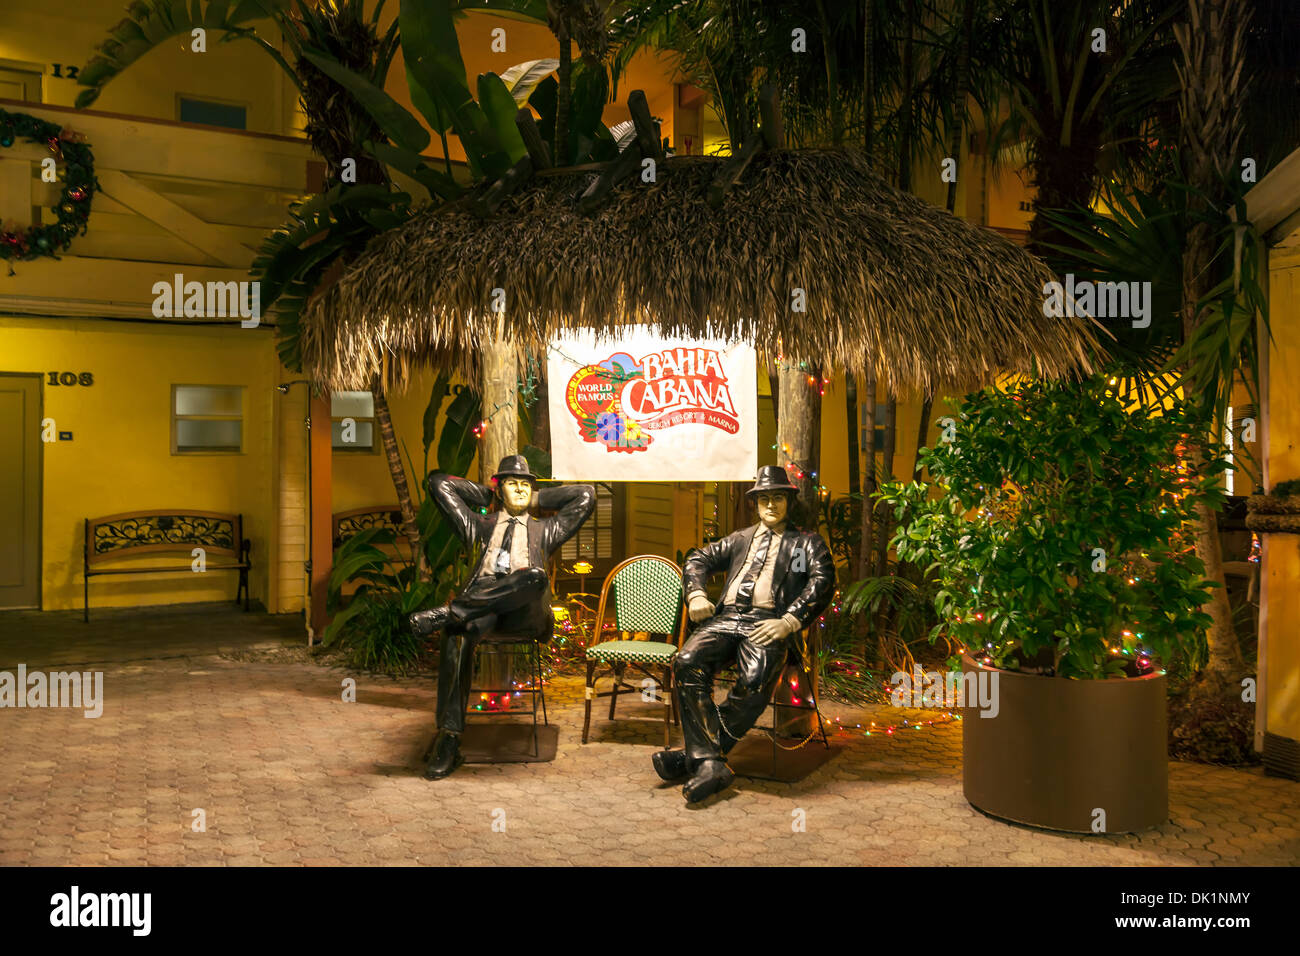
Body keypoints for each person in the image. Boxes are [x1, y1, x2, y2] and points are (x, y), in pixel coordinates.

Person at [653, 465, 835, 803]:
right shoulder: (739, 539)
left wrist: (789, 621)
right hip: (728, 618)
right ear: (755, 503)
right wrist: (696, 594)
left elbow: (821, 582)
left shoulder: (802, 544)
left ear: (788, 501)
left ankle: (697, 756)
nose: (770, 505)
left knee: (753, 682)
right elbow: (697, 559)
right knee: (687, 661)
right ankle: (709, 761)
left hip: (768, 622)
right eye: (764, 498)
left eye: (777, 497)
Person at [409, 455, 595, 780]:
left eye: (526, 484)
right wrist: (490, 494)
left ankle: (449, 612)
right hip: (483, 609)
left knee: (533, 576)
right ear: (500, 488)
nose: (521, 489)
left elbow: (586, 496)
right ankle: (449, 739)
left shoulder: (546, 529)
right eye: (513, 483)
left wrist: (534, 497)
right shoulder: (479, 527)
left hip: (525, 613)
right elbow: (438, 483)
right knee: (457, 633)